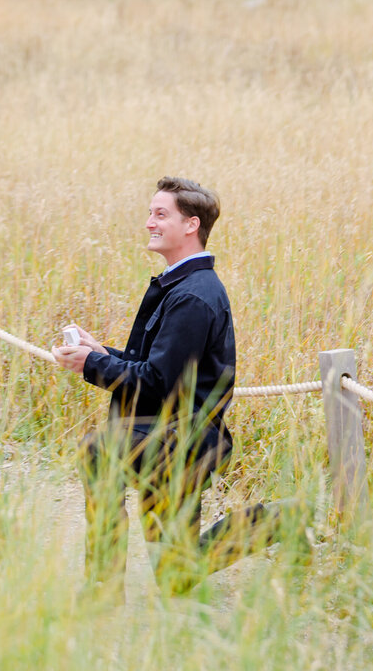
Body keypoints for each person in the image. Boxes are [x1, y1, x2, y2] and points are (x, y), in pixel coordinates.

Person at [54, 176, 235, 593]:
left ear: (191, 225)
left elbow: (156, 384)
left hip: (179, 443)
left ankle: (102, 588)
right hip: (166, 435)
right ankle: (283, 520)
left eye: (160, 214)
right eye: (150, 213)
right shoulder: (182, 284)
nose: (149, 223)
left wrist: (90, 364)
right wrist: (102, 352)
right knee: (179, 576)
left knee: (99, 452)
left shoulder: (192, 296)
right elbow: (157, 368)